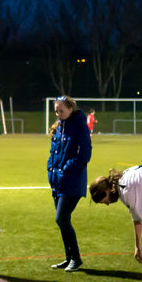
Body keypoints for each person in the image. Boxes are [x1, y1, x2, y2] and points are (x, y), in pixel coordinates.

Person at [47, 96, 92, 272]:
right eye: (56, 111)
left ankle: (76, 258)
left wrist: (65, 169)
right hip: (58, 181)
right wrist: (51, 169)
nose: (58, 114)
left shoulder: (80, 126)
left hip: (72, 181)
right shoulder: (59, 127)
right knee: (63, 221)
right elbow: (54, 153)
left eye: (61, 111)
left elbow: (84, 156)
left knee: (61, 218)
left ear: (70, 109)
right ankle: (68, 258)